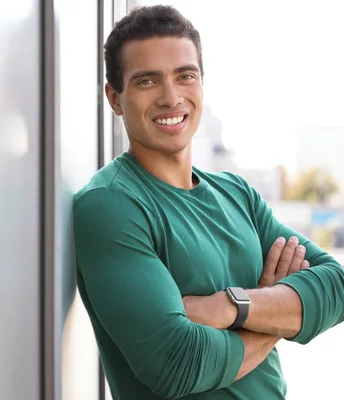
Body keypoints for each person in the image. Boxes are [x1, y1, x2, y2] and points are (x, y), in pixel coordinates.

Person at [72, 5, 344, 399]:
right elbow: (178, 365)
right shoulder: (110, 205)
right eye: (148, 81)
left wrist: (233, 306)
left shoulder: (237, 194)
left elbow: (335, 285)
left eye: (185, 76)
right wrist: (276, 310)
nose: (171, 97)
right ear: (115, 98)